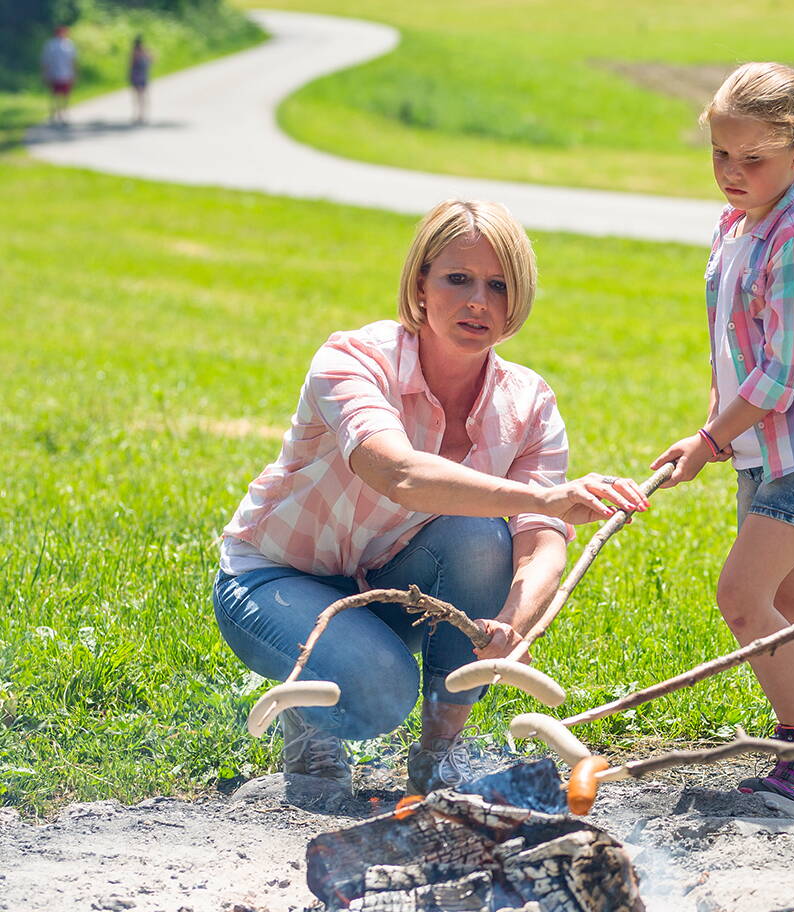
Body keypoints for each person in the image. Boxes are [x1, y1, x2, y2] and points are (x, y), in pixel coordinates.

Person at [214, 199, 649, 797]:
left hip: (387, 582)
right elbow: (399, 473)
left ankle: (439, 756)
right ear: (421, 285)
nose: (479, 302)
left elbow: (540, 543)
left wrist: (510, 625)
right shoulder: (354, 359)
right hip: (275, 579)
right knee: (378, 695)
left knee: (480, 537)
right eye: (458, 279)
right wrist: (544, 498)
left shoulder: (528, 403)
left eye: (499, 286)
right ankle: (311, 719)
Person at [651, 62, 794, 821]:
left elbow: (783, 376)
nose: (731, 174)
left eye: (753, 160)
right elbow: (732, 347)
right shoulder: (736, 227)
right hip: (765, 447)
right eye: (720, 154)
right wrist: (716, 429)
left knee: (743, 599)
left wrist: (709, 441)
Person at [40, 25, 76, 127]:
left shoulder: (69, 44)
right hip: (54, 74)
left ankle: (63, 114)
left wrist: (74, 73)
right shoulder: (51, 45)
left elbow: (73, 61)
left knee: (65, 96)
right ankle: (54, 114)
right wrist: (45, 73)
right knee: (54, 95)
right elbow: (45, 61)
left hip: (66, 74)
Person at [129, 35, 153, 125]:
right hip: (142, 75)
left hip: (137, 76)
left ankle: (141, 115)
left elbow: (130, 65)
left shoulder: (134, 52)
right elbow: (152, 60)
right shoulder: (144, 51)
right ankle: (141, 115)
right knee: (141, 96)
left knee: (138, 96)